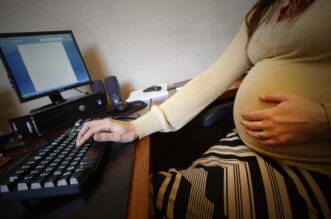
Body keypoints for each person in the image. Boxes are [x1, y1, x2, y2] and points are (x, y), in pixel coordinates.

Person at [77, 0, 331, 218]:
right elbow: (212, 79)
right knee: (152, 190)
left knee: (158, 197)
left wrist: (325, 119)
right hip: (249, 145)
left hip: (310, 165)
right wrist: (135, 127)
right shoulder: (264, 11)